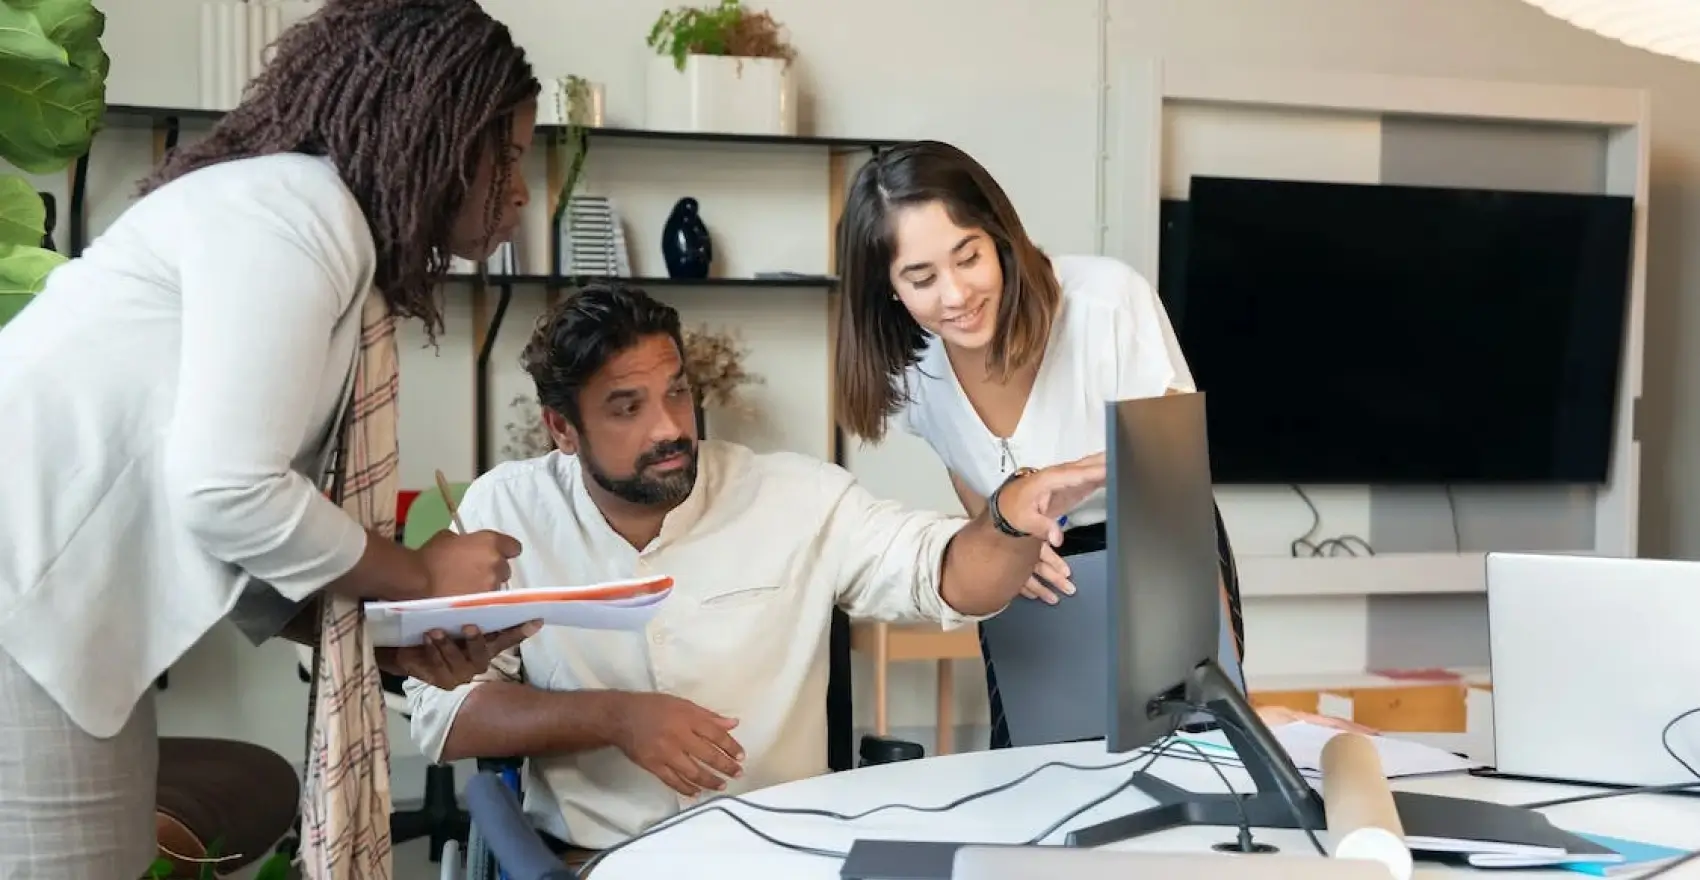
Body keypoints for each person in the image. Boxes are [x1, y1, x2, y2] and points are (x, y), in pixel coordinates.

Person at [0, 2, 545, 877]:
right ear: (432, 129)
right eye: (506, 153)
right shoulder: (298, 212)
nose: (520, 189)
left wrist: (381, 631)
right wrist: (417, 571)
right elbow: (226, 491)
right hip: (22, 624)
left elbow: (232, 519)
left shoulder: (291, 216)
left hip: (49, 627)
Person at [403, 280, 1106, 865]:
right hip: (597, 860)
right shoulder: (506, 508)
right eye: (627, 407)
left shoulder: (793, 495)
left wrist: (1010, 515)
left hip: (785, 856)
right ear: (561, 429)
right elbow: (447, 716)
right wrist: (614, 717)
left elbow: (946, 573)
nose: (669, 428)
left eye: (677, 392)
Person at [833, 139, 1366, 748]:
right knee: (1031, 763)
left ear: (998, 234)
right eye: (922, 277)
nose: (955, 295)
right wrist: (1001, 538)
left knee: (1191, 745)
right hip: (1031, 569)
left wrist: (1223, 679)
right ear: (888, 287)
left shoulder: (1104, 302)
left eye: (969, 257)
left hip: (1149, 544)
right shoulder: (913, 366)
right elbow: (966, 465)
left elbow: (1173, 485)